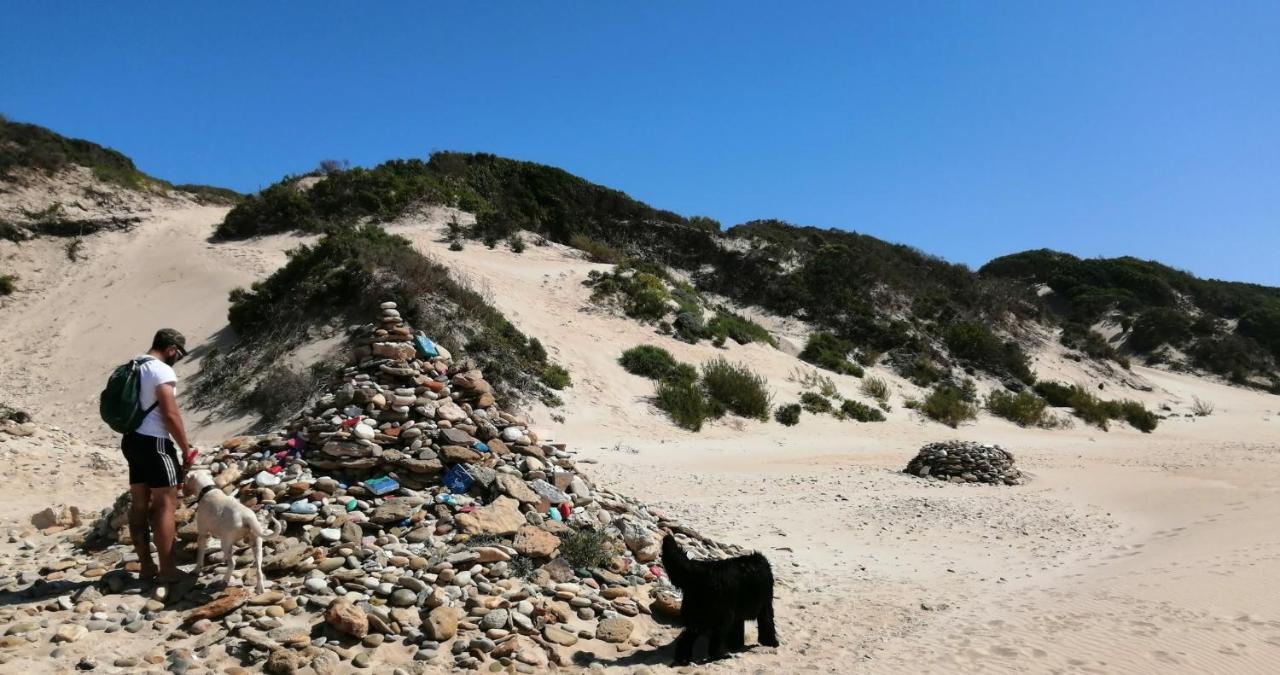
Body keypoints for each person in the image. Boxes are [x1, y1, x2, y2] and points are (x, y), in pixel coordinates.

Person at [120, 328, 196, 583]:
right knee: (165, 505)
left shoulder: (134, 364)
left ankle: (146, 566)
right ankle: (168, 571)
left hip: (131, 441)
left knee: (139, 505)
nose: (178, 358)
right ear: (171, 349)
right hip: (155, 442)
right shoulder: (162, 370)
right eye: (179, 354)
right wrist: (185, 447)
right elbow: (170, 413)